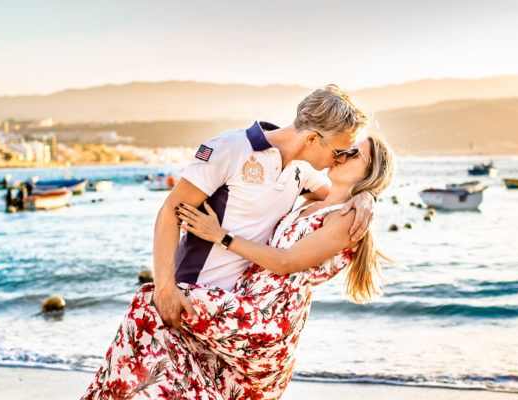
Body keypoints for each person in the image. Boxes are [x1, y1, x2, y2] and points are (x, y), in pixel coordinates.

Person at [82, 136, 395, 399]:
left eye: (355, 153)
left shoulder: (347, 219)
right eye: (346, 147)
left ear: (371, 171)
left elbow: (285, 262)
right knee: (174, 366)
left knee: (153, 301)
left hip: (268, 321)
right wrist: (367, 196)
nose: (343, 154)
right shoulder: (317, 201)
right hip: (245, 303)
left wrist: (221, 237)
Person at [148, 84, 375, 333]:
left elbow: (340, 197)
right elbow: (169, 211)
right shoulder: (232, 148)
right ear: (312, 139)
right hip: (190, 296)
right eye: (340, 151)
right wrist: (164, 288)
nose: (341, 158)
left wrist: (368, 197)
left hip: (239, 315)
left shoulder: (303, 170)